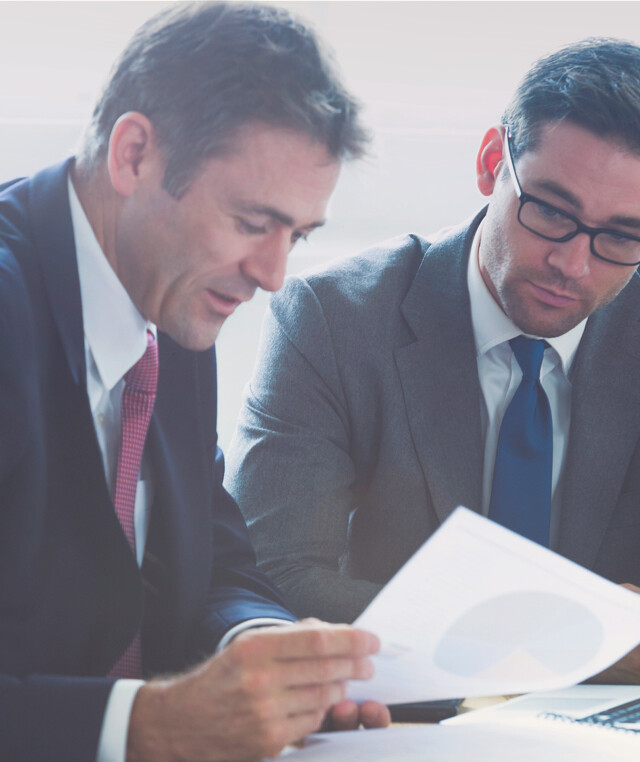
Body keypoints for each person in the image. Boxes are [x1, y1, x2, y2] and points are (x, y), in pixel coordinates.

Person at [226, 38, 640, 682]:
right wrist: (568, 641)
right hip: (397, 723)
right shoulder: (333, 319)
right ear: (490, 164)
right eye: (551, 212)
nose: (573, 264)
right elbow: (271, 583)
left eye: (621, 235)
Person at [0, 4, 392, 761]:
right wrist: (147, 726)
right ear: (136, 154)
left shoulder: (170, 299)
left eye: (298, 237)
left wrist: (273, 655)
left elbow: (213, 558)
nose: (274, 276)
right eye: (252, 222)